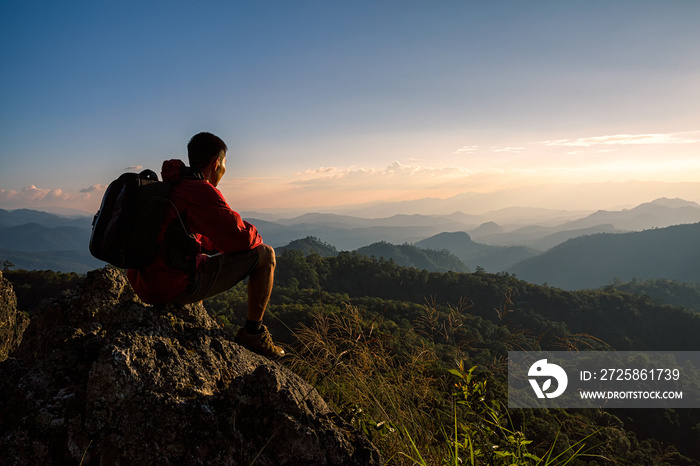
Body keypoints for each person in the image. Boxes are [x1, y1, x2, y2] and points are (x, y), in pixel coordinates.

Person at [126, 132, 284, 358]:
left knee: (205, 259)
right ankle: (253, 332)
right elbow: (243, 239)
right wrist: (245, 235)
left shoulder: (173, 185)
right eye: (224, 165)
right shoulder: (200, 190)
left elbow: (188, 235)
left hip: (142, 282)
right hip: (168, 287)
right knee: (266, 255)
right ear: (216, 163)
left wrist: (218, 242)